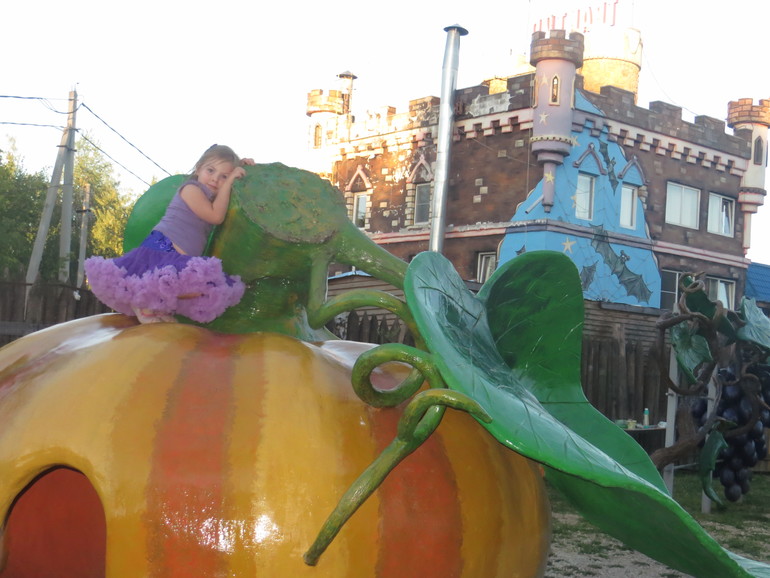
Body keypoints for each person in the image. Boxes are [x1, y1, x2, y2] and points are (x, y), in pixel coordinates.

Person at [85, 144, 251, 324]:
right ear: (198, 168)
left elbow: (219, 202)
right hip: (164, 248)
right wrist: (229, 180)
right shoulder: (191, 189)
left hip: (180, 255)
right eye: (210, 170)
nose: (215, 179)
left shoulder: (210, 196)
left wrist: (242, 168)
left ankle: (156, 308)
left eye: (223, 176)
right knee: (168, 283)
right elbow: (216, 216)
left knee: (187, 288)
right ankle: (144, 305)